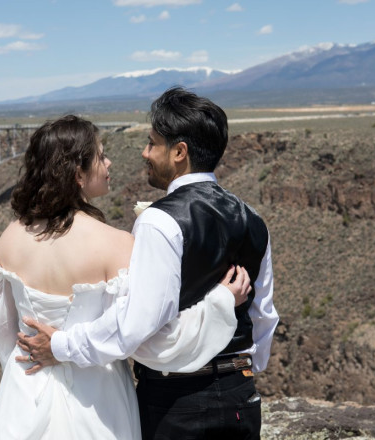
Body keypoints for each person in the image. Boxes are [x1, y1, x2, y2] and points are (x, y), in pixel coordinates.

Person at [19, 87, 279, 439]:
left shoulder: (160, 221)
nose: (144, 152)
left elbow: (136, 324)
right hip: (241, 396)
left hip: (176, 401)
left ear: (179, 152)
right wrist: (238, 371)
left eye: (152, 143)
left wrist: (62, 345)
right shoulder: (254, 219)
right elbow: (263, 315)